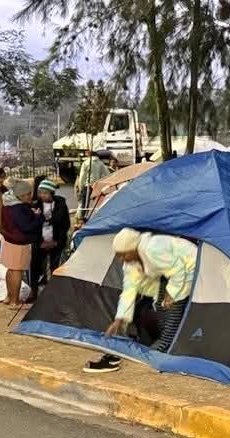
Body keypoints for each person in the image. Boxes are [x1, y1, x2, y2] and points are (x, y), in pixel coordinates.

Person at [84, 228, 198, 374]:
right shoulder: (130, 264)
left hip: (190, 267)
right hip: (169, 275)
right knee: (161, 308)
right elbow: (129, 290)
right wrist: (119, 319)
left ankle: (159, 352)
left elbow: (179, 268)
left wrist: (172, 293)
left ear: (133, 248)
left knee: (172, 314)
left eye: (124, 254)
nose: (121, 259)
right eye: (119, 256)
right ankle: (156, 346)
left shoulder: (153, 248)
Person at [0, 180, 42, 309]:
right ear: (21, 195)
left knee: (11, 269)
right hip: (19, 242)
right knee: (17, 271)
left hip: (8, 240)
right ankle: (15, 301)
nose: (30, 196)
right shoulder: (19, 208)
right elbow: (26, 227)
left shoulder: (7, 204)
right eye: (28, 194)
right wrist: (37, 217)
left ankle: (9, 297)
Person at [30, 179, 70, 296]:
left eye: (45, 193)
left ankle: (55, 293)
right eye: (40, 192)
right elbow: (32, 226)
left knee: (56, 268)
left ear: (52, 193)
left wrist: (56, 242)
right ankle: (34, 291)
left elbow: (65, 225)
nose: (42, 195)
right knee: (35, 267)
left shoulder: (61, 205)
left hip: (56, 242)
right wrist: (40, 242)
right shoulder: (35, 205)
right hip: (40, 243)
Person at [76, 149, 112, 219]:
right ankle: (95, 217)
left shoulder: (86, 163)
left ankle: (83, 217)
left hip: (87, 186)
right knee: (96, 203)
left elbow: (82, 176)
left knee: (85, 204)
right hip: (97, 186)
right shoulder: (101, 164)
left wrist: (81, 187)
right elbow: (107, 174)